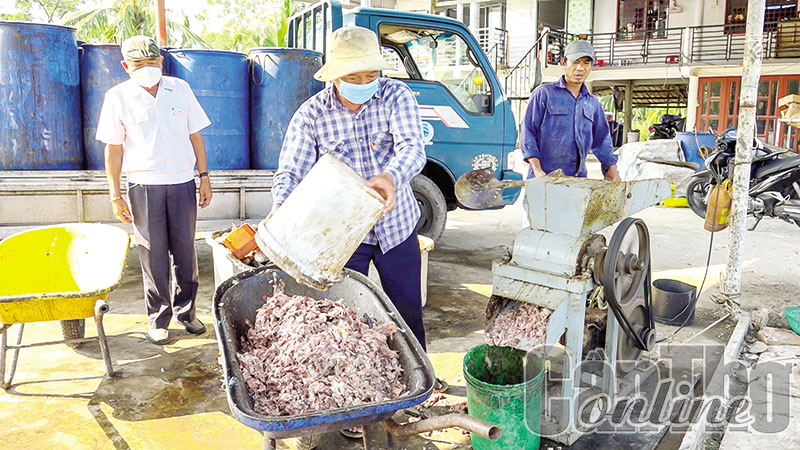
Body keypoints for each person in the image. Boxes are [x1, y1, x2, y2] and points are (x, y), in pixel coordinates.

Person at [267, 27, 447, 431]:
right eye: (355, 77)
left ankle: (417, 387)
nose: (365, 83)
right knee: (348, 317)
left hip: (396, 225)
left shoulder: (396, 96)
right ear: (334, 75)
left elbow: (412, 148)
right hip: (345, 236)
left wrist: (390, 176)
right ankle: (354, 401)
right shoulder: (311, 114)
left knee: (406, 309)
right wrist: (281, 207)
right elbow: (291, 170)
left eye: (371, 75)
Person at [96, 35, 213, 345]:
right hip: (143, 186)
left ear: (161, 62)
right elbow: (114, 149)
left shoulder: (181, 90)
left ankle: (186, 313)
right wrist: (115, 194)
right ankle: (158, 318)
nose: (146, 69)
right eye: (138, 65)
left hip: (181, 182)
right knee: (153, 254)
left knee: (185, 252)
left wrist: (204, 177)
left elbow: (196, 137)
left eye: (151, 62)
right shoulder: (117, 97)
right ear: (125, 66)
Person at [521, 39, 621, 182]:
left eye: (586, 62)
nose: (580, 68)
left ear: (592, 66)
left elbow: (602, 140)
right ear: (564, 63)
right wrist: (537, 170)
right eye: (575, 62)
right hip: (543, 179)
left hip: (577, 182)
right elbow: (528, 132)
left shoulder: (592, 103)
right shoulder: (544, 94)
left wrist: (612, 170)